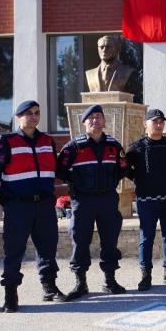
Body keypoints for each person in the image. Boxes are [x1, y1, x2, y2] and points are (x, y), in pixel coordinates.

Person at [0, 100, 64, 312]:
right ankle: (10, 294)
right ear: (18, 117)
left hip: (44, 206)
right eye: (28, 113)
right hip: (18, 207)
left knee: (48, 248)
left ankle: (49, 286)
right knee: (14, 251)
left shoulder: (47, 141)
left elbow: (58, 169)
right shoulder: (7, 142)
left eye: (36, 113)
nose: (33, 116)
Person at [55, 104, 129, 299]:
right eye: (91, 118)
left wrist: (112, 182)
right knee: (80, 241)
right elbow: (60, 169)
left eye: (99, 117)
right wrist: (75, 183)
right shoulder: (74, 146)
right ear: (84, 122)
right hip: (82, 201)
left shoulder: (113, 145)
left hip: (107, 199)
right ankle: (81, 283)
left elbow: (123, 167)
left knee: (110, 240)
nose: (95, 121)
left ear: (104, 121)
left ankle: (110, 281)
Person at [125, 109, 166, 291]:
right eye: (155, 122)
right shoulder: (136, 147)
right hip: (146, 199)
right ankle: (146, 274)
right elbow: (125, 167)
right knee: (147, 236)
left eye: (161, 122)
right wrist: (138, 178)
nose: (159, 125)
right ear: (146, 124)